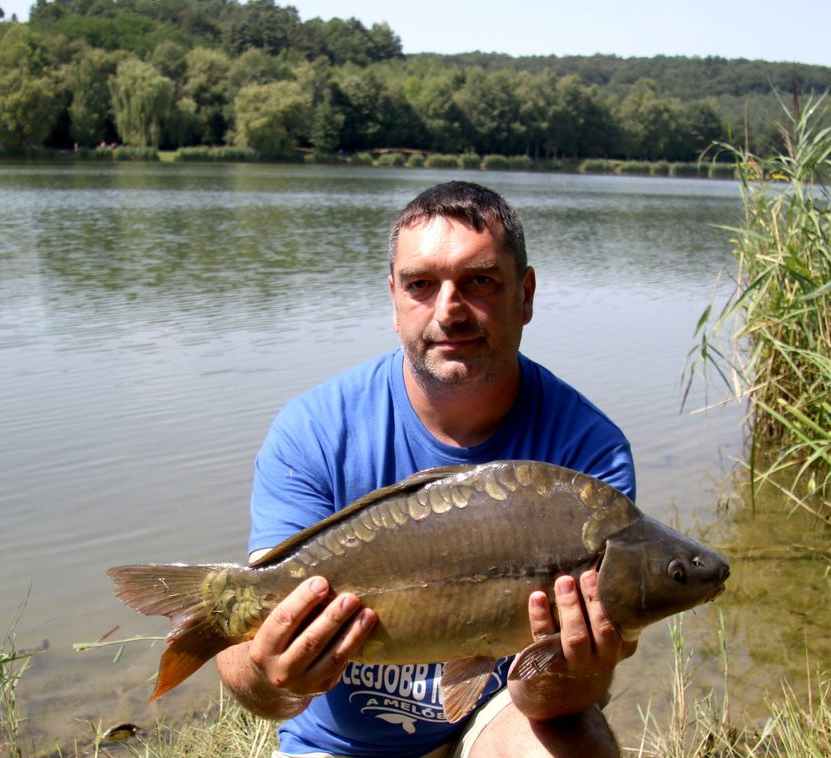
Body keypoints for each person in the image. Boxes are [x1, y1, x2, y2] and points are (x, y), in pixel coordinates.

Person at [214, 181, 637, 757]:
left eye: (479, 281)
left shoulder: (586, 453)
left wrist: (574, 669)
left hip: (497, 720)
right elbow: (263, 693)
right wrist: (269, 675)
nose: (449, 311)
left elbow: (554, 705)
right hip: (342, 744)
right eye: (421, 285)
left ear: (526, 293)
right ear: (394, 299)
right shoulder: (313, 432)